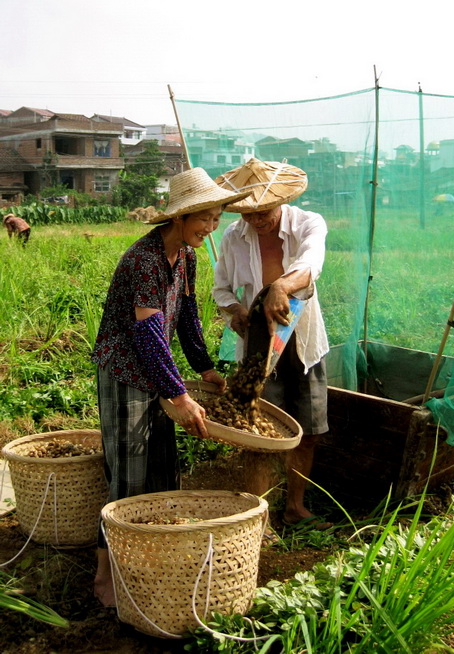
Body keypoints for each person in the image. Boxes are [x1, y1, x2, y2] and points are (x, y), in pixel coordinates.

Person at [91, 167, 251, 606]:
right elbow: (146, 334)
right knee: (130, 473)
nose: (211, 227)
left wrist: (203, 369)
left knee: (162, 466)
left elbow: (185, 317)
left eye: (217, 218)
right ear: (179, 216)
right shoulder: (144, 259)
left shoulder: (186, 257)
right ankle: (105, 575)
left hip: (156, 371)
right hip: (126, 371)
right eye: (205, 218)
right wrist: (176, 394)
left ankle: (148, 555)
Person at [213, 158, 331, 529]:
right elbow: (222, 288)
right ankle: (257, 519)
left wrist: (280, 286)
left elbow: (311, 263)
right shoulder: (233, 237)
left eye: (263, 210)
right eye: (248, 212)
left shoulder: (307, 224)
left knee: (308, 432)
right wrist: (234, 310)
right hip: (258, 348)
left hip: (303, 343)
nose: (256, 219)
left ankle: (294, 507)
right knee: (256, 434)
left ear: (279, 200)